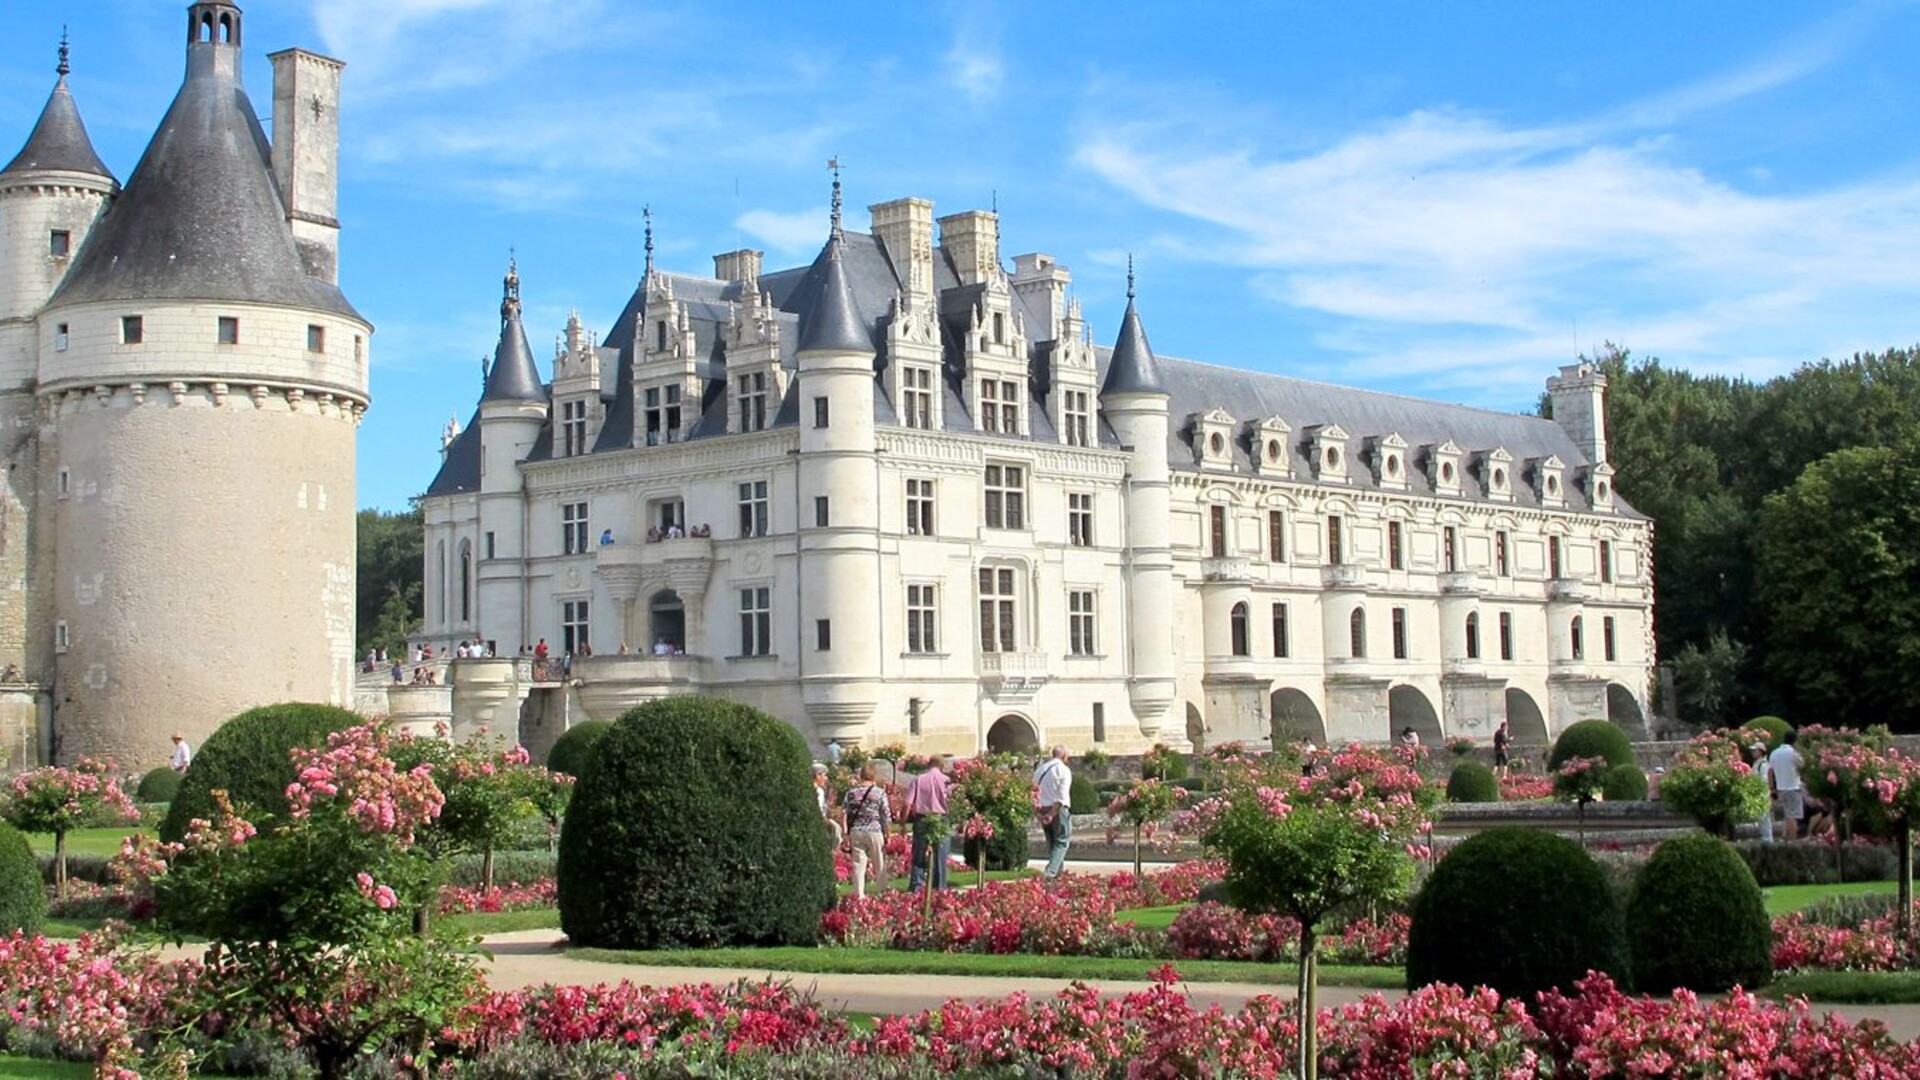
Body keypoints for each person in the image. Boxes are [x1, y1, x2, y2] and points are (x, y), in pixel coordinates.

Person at [841, 762, 890, 899]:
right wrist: (888, 834)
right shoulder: (879, 793)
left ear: (861, 775)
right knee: (879, 862)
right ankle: (882, 892)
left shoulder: (851, 792)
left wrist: (845, 833)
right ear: (874, 776)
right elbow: (886, 815)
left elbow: (844, 813)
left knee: (858, 864)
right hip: (874, 830)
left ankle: (859, 894)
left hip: (856, 830)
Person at [904, 755, 952, 891]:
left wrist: (903, 822)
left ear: (928, 765)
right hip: (942, 818)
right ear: (941, 766)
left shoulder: (918, 780)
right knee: (940, 855)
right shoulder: (947, 781)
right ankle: (940, 887)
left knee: (919, 854)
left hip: (922, 818)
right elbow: (953, 802)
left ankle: (916, 886)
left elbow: (907, 803)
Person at [1033, 746, 1074, 879]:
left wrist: (1038, 813)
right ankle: (1050, 872)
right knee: (1062, 840)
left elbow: (1033, 792)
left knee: (1051, 841)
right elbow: (1061, 797)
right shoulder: (1063, 770)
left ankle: (1057, 873)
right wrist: (1051, 814)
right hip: (1057, 809)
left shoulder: (1040, 770)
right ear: (1064, 756)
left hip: (1042, 807)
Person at [1768, 730, 1805, 841]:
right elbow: (1803, 766)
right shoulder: (1794, 754)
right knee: (1792, 816)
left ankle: (1786, 837)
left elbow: (1770, 772)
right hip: (1793, 787)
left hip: (1780, 788)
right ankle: (1793, 841)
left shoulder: (1774, 753)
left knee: (1787, 815)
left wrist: (1771, 788)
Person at [813, 763, 844, 849]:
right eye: (825, 775)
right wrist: (827, 822)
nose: (826, 778)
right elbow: (818, 810)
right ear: (817, 776)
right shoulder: (819, 791)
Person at [1750, 741, 1774, 842]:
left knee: (1764, 818)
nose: (1752, 752)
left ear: (1760, 751)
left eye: (1754, 750)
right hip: (1758, 794)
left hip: (1763, 794)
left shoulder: (1763, 764)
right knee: (1761, 818)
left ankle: (1768, 839)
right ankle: (1765, 839)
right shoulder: (1757, 763)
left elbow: (1764, 781)